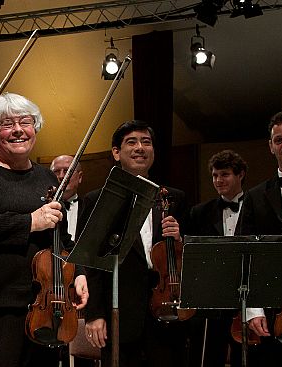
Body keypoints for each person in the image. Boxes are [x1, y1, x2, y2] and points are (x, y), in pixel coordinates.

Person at [0, 92, 89, 367]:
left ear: (35, 128)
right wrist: (30, 222)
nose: (18, 130)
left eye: (25, 122)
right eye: (7, 124)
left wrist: (79, 273)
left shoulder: (47, 178)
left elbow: (61, 237)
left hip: (46, 304)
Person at [80, 119, 188, 367]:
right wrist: (94, 314)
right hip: (120, 313)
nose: (140, 147)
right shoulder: (97, 200)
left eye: (146, 142)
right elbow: (91, 263)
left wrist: (180, 238)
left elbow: (190, 256)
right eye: (132, 142)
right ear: (116, 153)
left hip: (167, 309)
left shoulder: (174, 198)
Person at [239, 111, 282, 367]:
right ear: (270, 146)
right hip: (270, 308)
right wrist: (253, 309)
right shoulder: (254, 196)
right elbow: (244, 253)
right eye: (278, 140)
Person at [185, 149, 249, 367]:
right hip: (211, 300)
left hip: (246, 296)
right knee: (207, 357)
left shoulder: (257, 205)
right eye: (215, 175)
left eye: (225, 174)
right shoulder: (199, 212)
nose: (219, 180)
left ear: (240, 175)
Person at [50, 155, 84, 241]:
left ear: (80, 177)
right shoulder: (43, 209)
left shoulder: (90, 207)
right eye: (56, 171)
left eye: (67, 171)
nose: (61, 176)